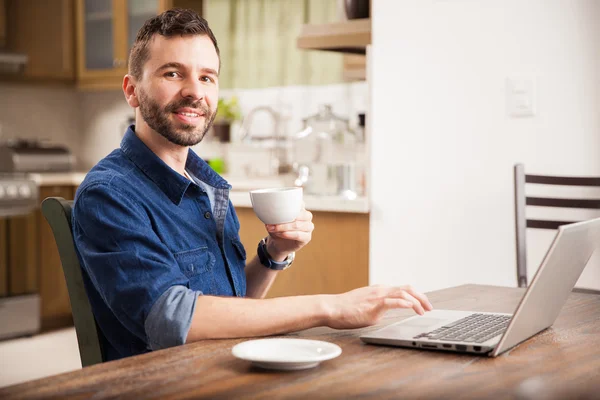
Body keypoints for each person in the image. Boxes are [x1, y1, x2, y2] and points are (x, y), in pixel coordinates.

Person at [72, 8, 433, 361]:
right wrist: (331, 307)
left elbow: (232, 309)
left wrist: (273, 253)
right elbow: (172, 318)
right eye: (172, 73)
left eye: (207, 77)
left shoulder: (208, 186)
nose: (194, 91)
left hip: (226, 370)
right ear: (132, 91)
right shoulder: (109, 194)